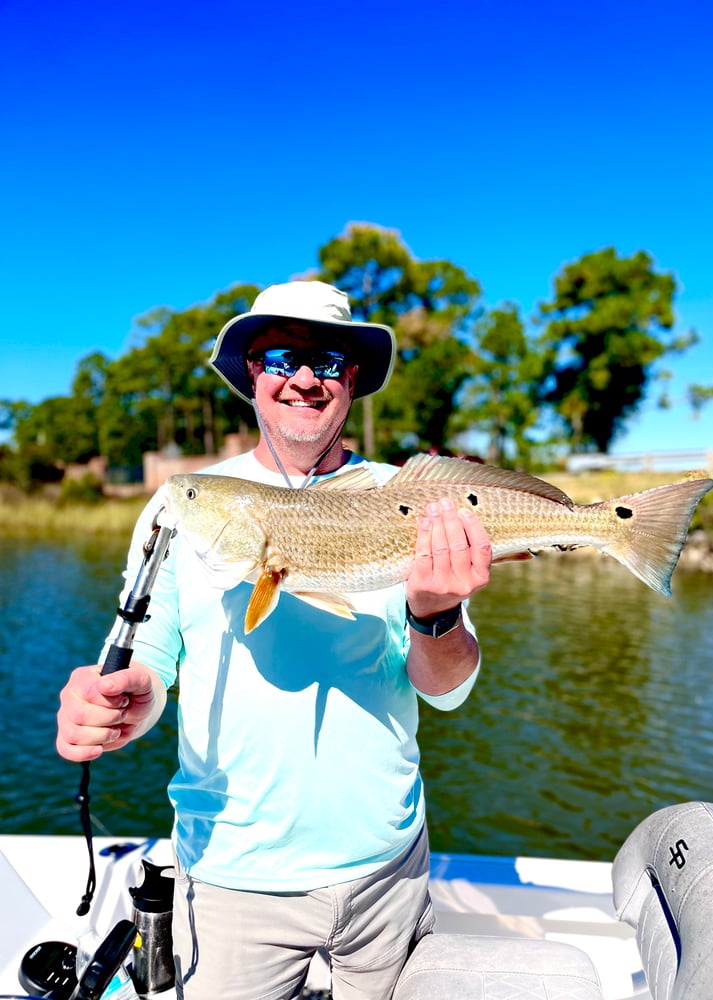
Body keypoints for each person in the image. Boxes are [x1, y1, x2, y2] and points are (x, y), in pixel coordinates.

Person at [56, 280, 493, 1000]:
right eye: (280, 356)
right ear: (252, 374)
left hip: (388, 866)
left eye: (325, 360)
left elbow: (447, 691)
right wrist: (122, 699)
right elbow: (148, 655)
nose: (302, 378)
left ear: (351, 379)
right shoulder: (181, 504)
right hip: (232, 877)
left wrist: (436, 615)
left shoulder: (412, 502)